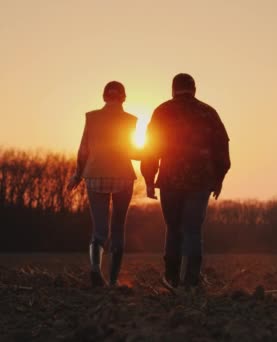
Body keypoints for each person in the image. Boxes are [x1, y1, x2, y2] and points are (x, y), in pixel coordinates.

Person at [141, 73, 230, 290]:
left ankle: (171, 278)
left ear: (173, 89)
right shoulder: (208, 113)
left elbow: (151, 149)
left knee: (173, 228)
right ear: (194, 89)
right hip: (201, 182)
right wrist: (218, 179)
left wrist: (149, 180)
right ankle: (191, 279)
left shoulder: (162, 112)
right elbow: (222, 150)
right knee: (193, 230)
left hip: (170, 179)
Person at [67, 81, 138, 287]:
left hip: (95, 175)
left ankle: (95, 269)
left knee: (99, 229)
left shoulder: (92, 117)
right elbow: (132, 150)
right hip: (123, 176)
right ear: (123, 97)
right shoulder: (130, 120)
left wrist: (78, 175)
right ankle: (114, 280)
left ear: (104, 96)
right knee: (118, 228)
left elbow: (83, 150)